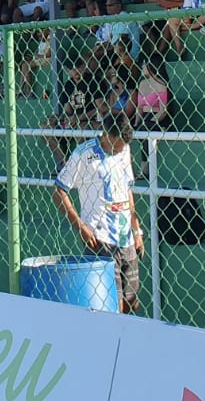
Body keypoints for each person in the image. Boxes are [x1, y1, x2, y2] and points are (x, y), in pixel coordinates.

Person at [52, 111, 143, 314]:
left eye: (123, 146)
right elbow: (59, 191)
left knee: (131, 302)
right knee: (114, 304)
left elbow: (127, 189)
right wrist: (81, 226)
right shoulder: (83, 154)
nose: (119, 150)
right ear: (106, 134)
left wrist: (136, 230)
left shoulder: (124, 150)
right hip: (100, 237)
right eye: (116, 145)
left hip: (125, 236)